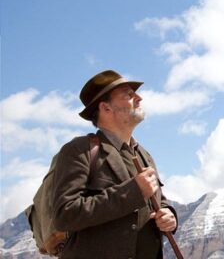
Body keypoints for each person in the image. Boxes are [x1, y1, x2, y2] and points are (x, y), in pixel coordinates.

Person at [52, 70, 177, 258]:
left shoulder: (144, 155)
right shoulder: (79, 149)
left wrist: (169, 216)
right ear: (106, 108)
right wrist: (133, 191)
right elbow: (65, 214)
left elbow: (158, 201)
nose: (139, 98)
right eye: (128, 94)